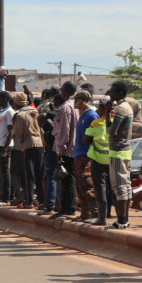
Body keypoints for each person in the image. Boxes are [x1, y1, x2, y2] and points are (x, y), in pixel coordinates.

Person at [107, 80, 134, 229]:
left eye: (113, 91)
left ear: (121, 93)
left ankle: (122, 220)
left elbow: (111, 131)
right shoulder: (128, 107)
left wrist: (107, 113)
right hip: (126, 150)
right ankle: (125, 219)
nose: (111, 94)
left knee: (119, 186)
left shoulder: (119, 109)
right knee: (126, 184)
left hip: (118, 151)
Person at [52, 82, 79, 218]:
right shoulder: (76, 106)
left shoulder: (65, 108)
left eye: (62, 89)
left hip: (66, 149)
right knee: (70, 178)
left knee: (66, 178)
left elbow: (64, 131)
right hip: (74, 148)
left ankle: (68, 207)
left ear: (67, 91)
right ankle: (69, 207)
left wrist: (60, 151)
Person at [11, 92, 43, 209]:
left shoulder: (20, 115)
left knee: (28, 174)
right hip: (39, 143)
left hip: (28, 144)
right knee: (38, 173)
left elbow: (19, 133)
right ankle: (41, 199)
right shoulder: (35, 111)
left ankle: (29, 201)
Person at [72, 91, 98, 221]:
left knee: (87, 185)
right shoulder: (82, 116)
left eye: (75, 100)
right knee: (80, 186)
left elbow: (97, 136)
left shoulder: (91, 116)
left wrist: (90, 155)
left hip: (86, 155)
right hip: (78, 154)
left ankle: (95, 213)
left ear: (81, 101)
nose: (74, 102)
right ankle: (84, 213)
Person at [85, 97, 112, 226]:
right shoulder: (116, 122)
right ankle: (118, 216)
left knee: (100, 187)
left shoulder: (96, 123)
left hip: (97, 159)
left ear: (101, 108)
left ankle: (102, 218)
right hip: (113, 158)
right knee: (114, 187)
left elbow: (86, 140)